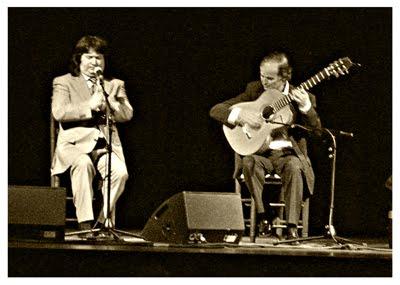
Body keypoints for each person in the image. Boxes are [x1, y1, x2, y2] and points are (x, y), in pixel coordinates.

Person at [210, 51, 321, 243]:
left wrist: (306, 109)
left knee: (294, 166)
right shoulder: (254, 90)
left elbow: (316, 132)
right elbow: (216, 110)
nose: (264, 81)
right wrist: (240, 116)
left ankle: (291, 227)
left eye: (270, 78)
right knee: (249, 162)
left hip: (287, 155)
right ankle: (263, 217)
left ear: (285, 77)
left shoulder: (305, 97)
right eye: (262, 76)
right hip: (260, 154)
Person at [51, 35, 133, 237]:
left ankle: (102, 222)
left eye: (99, 58)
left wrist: (113, 104)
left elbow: (127, 115)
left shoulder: (114, 84)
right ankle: (86, 226)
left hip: (103, 144)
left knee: (120, 173)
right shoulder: (64, 82)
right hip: (74, 145)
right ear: (79, 59)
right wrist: (89, 106)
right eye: (89, 57)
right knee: (83, 165)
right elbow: (59, 112)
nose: (95, 62)